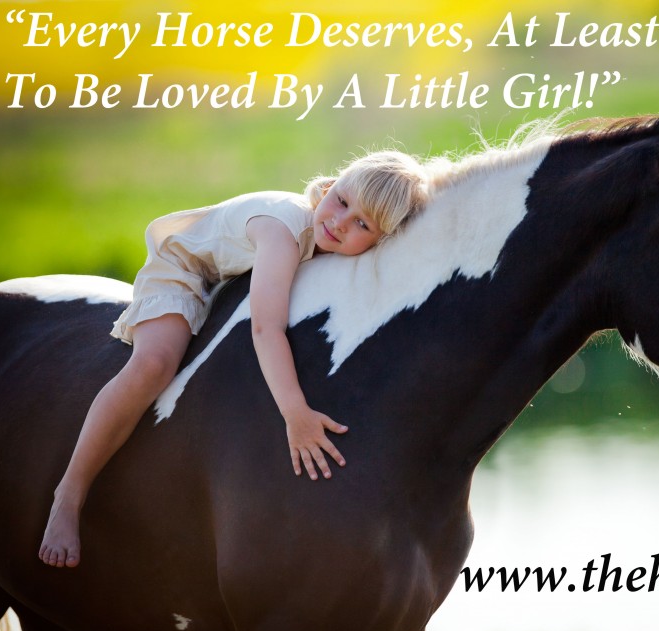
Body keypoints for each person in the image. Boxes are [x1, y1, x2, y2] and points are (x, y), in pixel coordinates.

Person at [38, 150, 429, 568]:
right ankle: (69, 495)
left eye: (362, 225)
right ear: (330, 188)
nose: (339, 222)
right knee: (155, 364)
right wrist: (295, 412)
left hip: (231, 284)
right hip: (186, 272)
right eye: (342, 202)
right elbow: (266, 328)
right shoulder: (283, 232)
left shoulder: (327, 237)